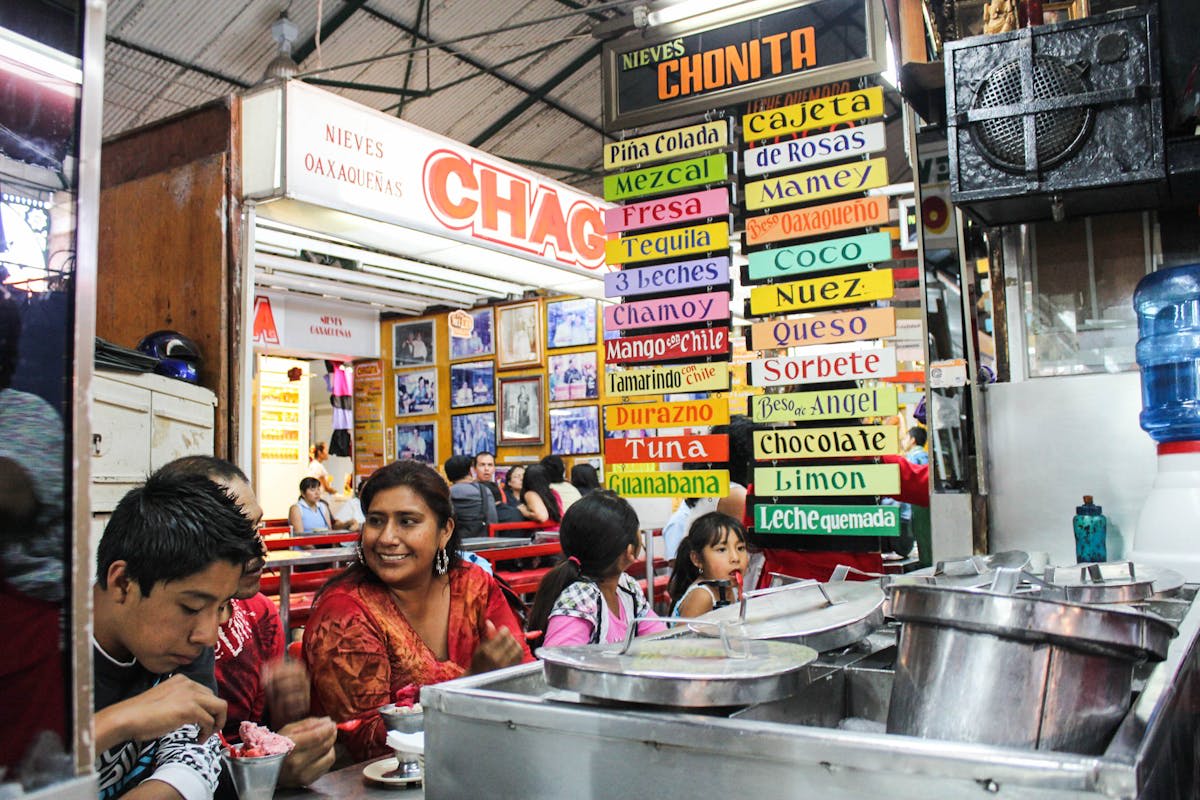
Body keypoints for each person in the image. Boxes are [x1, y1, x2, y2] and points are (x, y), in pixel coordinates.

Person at [303, 460, 532, 762]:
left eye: (407, 521)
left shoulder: (473, 584)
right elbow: (370, 742)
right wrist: (471, 686)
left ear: (444, 531)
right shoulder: (344, 614)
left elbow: (525, 678)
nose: (386, 537)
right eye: (375, 520)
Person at [154, 456, 336, 790]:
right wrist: (265, 772)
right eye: (237, 532)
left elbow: (263, 733)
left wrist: (289, 715)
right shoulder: (158, 631)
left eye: (257, 527)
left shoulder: (259, 613)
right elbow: (182, 759)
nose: (260, 547)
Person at [92, 471, 261, 800]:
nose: (208, 636)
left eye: (222, 605)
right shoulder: (28, 645)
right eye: (192, 607)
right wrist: (115, 723)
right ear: (123, 583)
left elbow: (194, 757)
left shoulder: (186, 643)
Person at [526, 491, 667, 647]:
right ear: (629, 551)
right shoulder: (580, 599)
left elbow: (660, 640)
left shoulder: (627, 587)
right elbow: (560, 667)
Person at [667, 513, 748, 618]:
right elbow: (684, 634)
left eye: (740, 548)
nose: (735, 558)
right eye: (722, 550)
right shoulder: (702, 596)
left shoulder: (730, 587)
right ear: (697, 559)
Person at [445, 454, 497, 539]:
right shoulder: (484, 490)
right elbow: (493, 520)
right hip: (483, 541)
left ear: (448, 476)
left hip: (457, 543)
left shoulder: (446, 493)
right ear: (470, 471)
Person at [288, 477, 355, 534]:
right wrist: (313, 549)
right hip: (305, 548)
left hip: (323, 546)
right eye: (312, 490)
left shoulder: (323, 506)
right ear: (303, 493)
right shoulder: (296, 509)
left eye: (318, 489)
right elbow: (300, 537)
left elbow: (329, 530)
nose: (317, 493)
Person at [475, 452, 524, 523]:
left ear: (494, 468)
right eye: (482, 465)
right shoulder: (470, 489)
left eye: (490, 465)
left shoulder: (500, 490)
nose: (486, 469)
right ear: (474, 468)